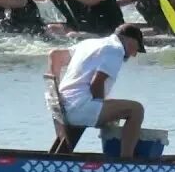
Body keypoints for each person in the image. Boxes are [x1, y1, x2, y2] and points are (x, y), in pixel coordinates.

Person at [52, 24, 147, 159]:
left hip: (62, 104)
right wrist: (102, 112)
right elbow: (96, 84)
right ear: (129, 40)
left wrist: (53, 84)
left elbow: (54, 55)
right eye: (137, 48)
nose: (135, 54)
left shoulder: (89, 43)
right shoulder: (116, 49)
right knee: (136, 109)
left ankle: (59, 159)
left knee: (103, 106)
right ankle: (126, 162)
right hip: (78, 107)